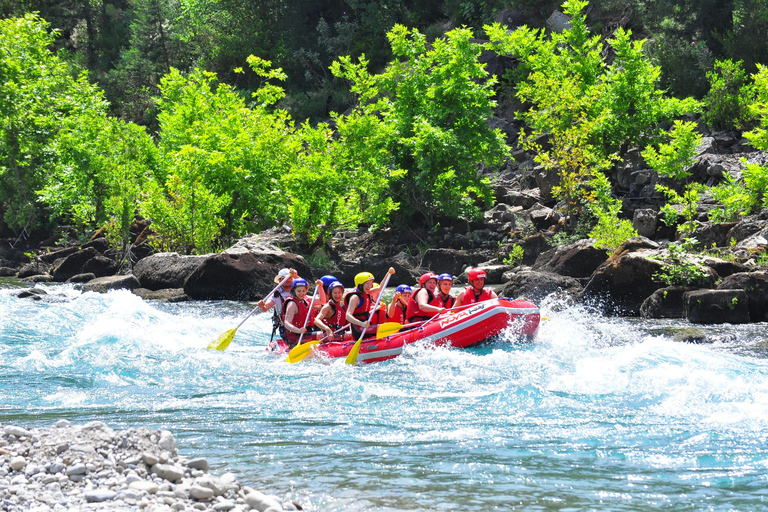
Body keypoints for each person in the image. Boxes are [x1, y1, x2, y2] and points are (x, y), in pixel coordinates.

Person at [345, 269, 392, 339]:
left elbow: (380, 288)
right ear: (360, 284)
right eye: (367, 283)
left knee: (386, 327)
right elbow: (348, 316)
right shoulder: (355, 297)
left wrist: (388, 273)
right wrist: (361, 324)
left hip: (365, 326)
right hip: (358, 329)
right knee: (386, 328)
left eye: (371, 284)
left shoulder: (367, 293)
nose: (370, 286)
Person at [282, 278, 324, 347]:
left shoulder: (306, 298)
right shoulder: (292, 304)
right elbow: (287, 323)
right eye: (299, 291)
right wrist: (298, 330)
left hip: (307, 332)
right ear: (293, 291)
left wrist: (320, 287)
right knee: (322, 335)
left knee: (325, 331)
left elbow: (322, 301)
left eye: (303, 291)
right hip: (296, 335)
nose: (302, 293)